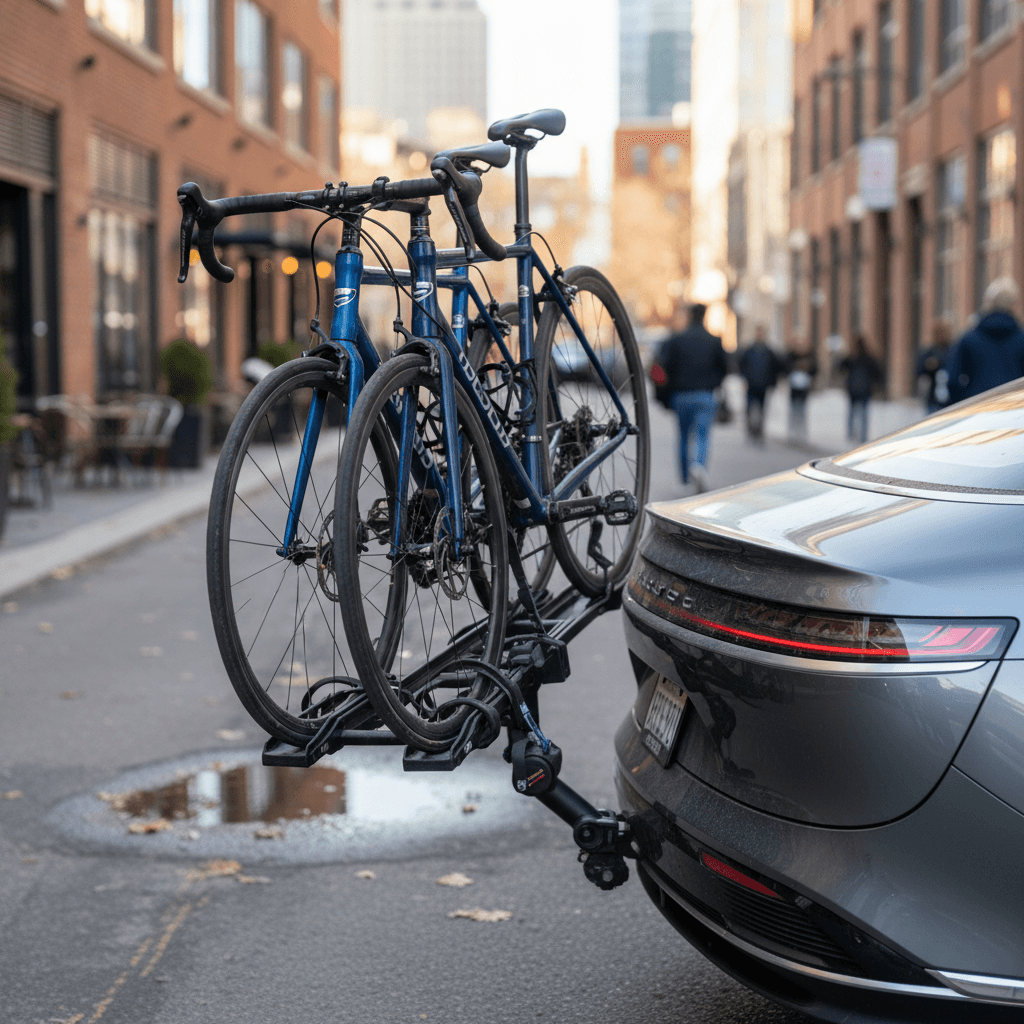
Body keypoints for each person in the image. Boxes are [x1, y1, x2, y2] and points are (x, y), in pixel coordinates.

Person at [657, 302, 728, 491]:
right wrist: (715, 383)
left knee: (683, 437)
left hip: (680, 396)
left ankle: (684, 478)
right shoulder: (714, 341)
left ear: (689, 316)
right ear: (704, 316)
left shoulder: (676, 340)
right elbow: (725, 369)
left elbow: (663, 369)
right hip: (705, 395)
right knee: (703, 435)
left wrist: (664, 395)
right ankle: (698, 465)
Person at [945, 277, 1024, 404]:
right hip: (1014, 410)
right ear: (1013, 304)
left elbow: (952, 380)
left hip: (977, 410)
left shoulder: (968, 339)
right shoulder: (1021, 339)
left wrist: (964, 402)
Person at [738, 326, 784, 441]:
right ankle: (750, 430)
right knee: (749, 409)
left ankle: (759, 431)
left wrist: (773, 383)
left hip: (764, 385)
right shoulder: (749, 350)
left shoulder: (769, 351)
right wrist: (744, 378)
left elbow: (775, 368)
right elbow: (742, 365)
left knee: (762, 410)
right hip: (751, 384)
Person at [839, 336, 883, 444]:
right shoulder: (869, 358)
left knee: (852, 412)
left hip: (853, 390)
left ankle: (851, 434)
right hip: (865, 390)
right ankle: (863, 436)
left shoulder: (852, 357)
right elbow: (878, 373)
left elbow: (840, 367)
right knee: (863, 414)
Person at [916, 322, 951, 414]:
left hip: (950, 398)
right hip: (933, 398)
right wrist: (928, 366)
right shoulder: (930, 352)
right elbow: (919, 370)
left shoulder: (953, 349)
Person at [786, 346, 818, 440]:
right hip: (794, 389)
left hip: (803, 390)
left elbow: (815, 369)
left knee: (802, 411)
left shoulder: (809, 356)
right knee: (794, 410)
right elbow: (786, 368)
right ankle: (793, 430)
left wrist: (807, 368)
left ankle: (801, 431)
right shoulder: (792, 356)